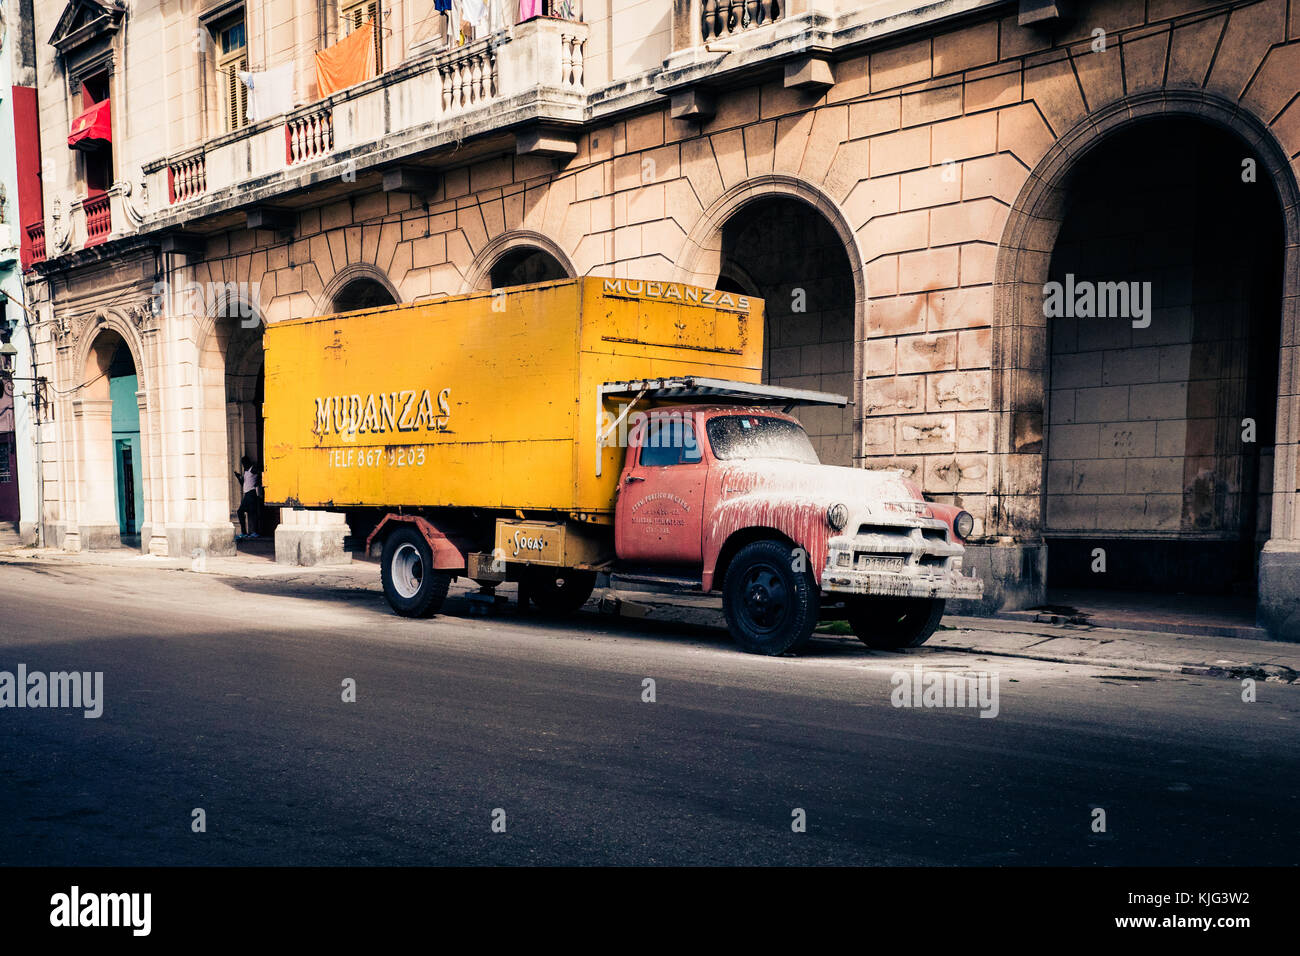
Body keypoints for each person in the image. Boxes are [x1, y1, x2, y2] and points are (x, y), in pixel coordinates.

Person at [235, 456, 261, 539]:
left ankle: (253, 532)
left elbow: (260, 474)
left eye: (244, 463)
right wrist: (238, 477)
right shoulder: (246, 471)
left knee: (251, 512)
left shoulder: (253, 469)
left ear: (248, 462)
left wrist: (257, 484)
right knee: (244, 512)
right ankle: (246, 532)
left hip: (251, 493)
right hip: (247, 494)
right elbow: (243, 484)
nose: (243, 465)